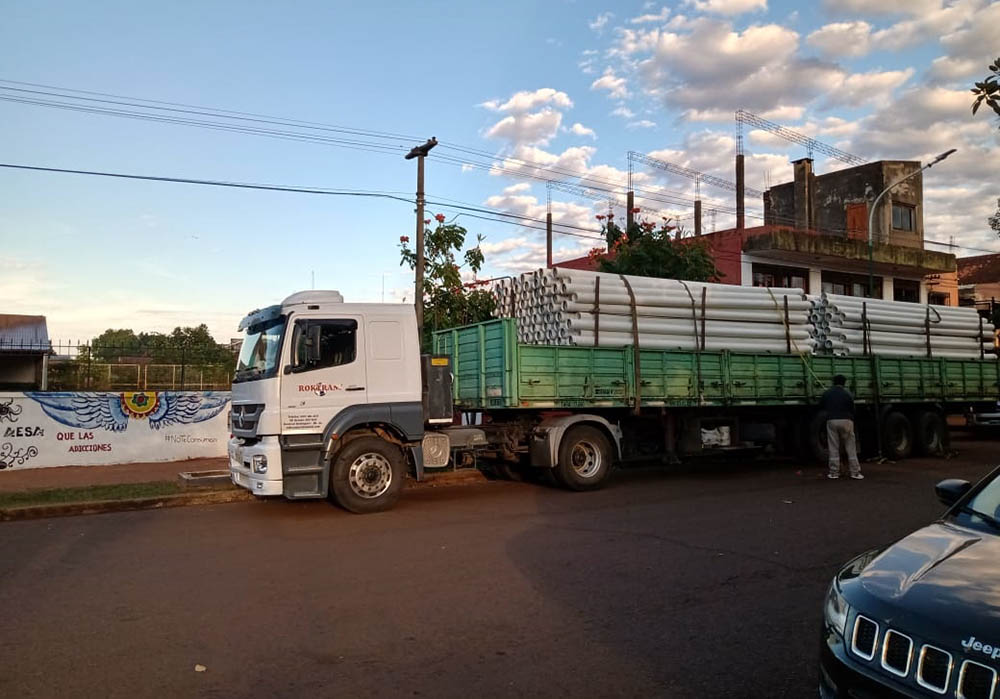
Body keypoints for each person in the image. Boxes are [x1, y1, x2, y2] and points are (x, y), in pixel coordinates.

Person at [820, 375, 864, 480]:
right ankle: (855, 472)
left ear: (833, 382)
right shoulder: (847, 394)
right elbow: (852, 408)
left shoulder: (827, 393)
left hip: (832, 420)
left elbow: (821, 406)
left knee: (833, 447)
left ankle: (834, 472)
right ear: (844, 383)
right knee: (850, 446)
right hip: (846, 420)